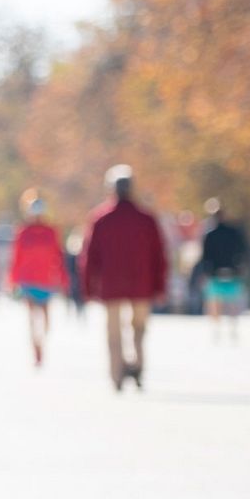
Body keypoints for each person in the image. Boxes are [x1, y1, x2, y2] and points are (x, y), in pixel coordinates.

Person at [80, 165, 168, 391]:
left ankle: (116, 373)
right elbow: (159, 255)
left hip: (112, 285)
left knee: (113, 330)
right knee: (139, 327)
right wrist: (159, 286)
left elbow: (89, 256)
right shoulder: (146, 219)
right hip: (142, 284)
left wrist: (88, 287)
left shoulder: (100, 218)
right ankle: (138, 363)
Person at [8, 189, 69, 366]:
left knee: (46, 317)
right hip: (28, 280)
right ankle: (36, 347)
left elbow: (59, 256)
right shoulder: (23, 232)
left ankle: (41, 340)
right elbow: (17, 257)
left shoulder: (51, 232)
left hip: (46, 280)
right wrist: (13, 280)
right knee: (32, 317)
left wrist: (63, 279)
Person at [199, 197, 250, 342]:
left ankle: (218, 329)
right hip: (232, 271)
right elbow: (242, 251)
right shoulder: (234, 232)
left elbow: (205, 256)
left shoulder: (210, 235)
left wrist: (205, 272)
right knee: (231, 301)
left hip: (216, 272)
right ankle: (230, 328)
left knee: (215, 301)